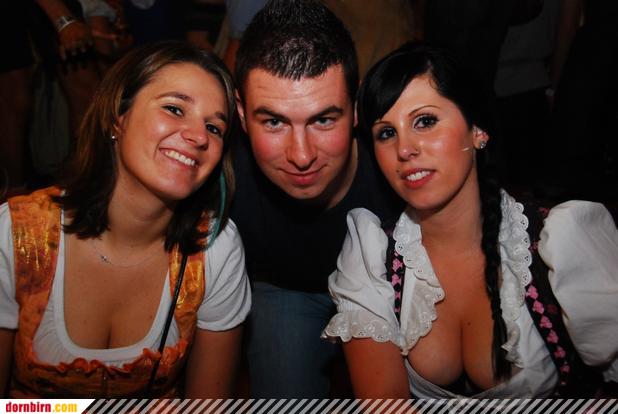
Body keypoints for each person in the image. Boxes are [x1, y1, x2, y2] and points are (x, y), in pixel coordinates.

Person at [323, 43, 618, 398]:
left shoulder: (560, 240)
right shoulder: (372, 257)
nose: (404, 149)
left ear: (477, 130)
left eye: (425, 121)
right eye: (386, 133)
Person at [0, 41, 251, 398]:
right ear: (117, 117)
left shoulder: (215, 247)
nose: (199, 136)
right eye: (174, 109)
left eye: (214, 128)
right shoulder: (16, 234)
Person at [231, 0, 401, 398]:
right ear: (241, 114)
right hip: (285, 288)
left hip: (393, 283)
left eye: (323, 120)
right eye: (274, 122)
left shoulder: (400, 165)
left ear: (356, 108)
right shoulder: (218, 176)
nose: (302, 155)